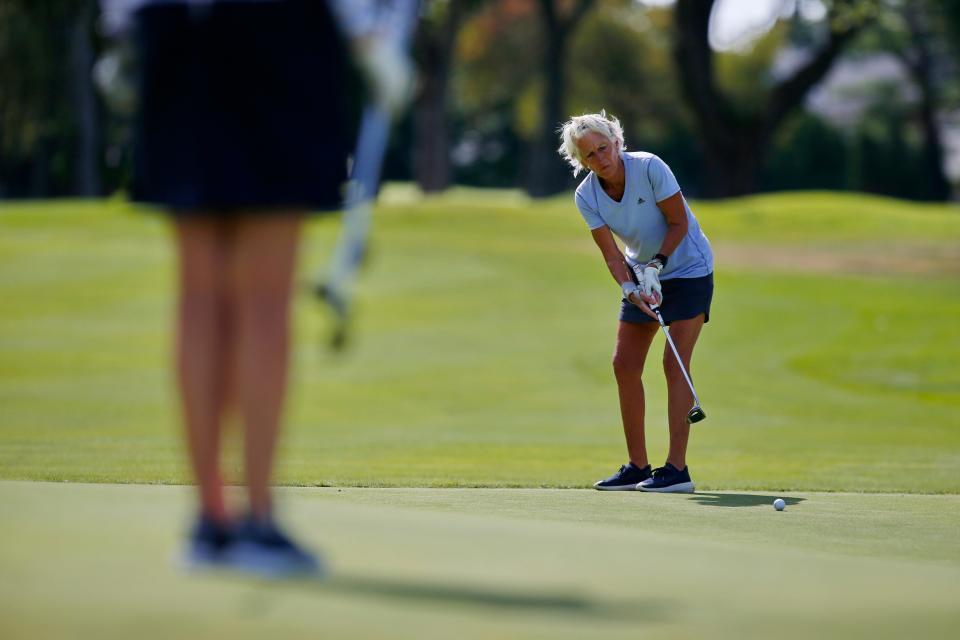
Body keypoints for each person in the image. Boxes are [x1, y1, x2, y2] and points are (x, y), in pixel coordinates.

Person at [98, 0, 412, 576]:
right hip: (279, 32)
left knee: (198, 294)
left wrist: (121, 22)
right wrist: (370, 35)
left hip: (177, 29)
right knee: (264, 298)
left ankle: (210, 522)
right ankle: (257, 521)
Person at [557, 112, 714, 494]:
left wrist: (656, 266)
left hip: (689, 268)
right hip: (641, 275)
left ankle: (677, 470)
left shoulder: (649, 168)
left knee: (673, 361)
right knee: (624, 364)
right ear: (580, 162)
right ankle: (637, 466)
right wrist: (630, 287)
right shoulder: (587, 196)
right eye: (590, 155)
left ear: (616, 141)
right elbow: (612, 255)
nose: (600, 158)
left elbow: (679, 223)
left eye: (603, 148)